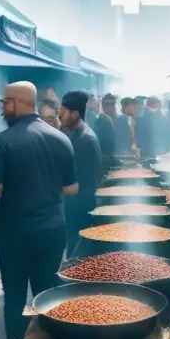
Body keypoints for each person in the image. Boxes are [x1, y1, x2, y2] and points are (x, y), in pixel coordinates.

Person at [0, 82, 77, 339]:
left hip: (15, 234)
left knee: (13, 297)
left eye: (5, 104)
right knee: (47, 296)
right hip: (52, 232)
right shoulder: (61, 139)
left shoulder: (1, 141)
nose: (2, 110)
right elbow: (71, 189)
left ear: (16, 103)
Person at [59, 90, 102, 255]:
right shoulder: (74, 134)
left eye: (63, 112)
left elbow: (89, 183)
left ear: (75, 114)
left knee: (77, 255)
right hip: (72, 209)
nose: (60, 116)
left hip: (79, 210)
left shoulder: (86, 140)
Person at [94, 93, 118, 163]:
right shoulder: (101, 120)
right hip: (106, 159)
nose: (112, 107)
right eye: (109, 105)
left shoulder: (119, 119)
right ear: (104, 106)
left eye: (113, 104)